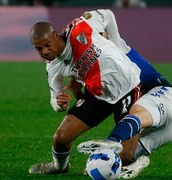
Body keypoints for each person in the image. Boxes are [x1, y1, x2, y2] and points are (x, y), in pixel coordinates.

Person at [64, 9, 172, 178]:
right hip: (151, 108)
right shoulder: (98, 66)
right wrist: (78, 92)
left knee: (137, 114)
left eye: (100, 35)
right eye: (96, 36)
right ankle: (129, 164)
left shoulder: (117, 46)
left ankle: (110, 143)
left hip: (161, 93)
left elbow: (108, 16)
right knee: (125, 156)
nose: (98, 39)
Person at [28, 19, 142, 174]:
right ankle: (59, 167)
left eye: (47, 45)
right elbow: (54, 99)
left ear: (55, 35)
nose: (45, 52)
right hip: (97, 95)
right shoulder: (53, 67)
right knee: (60, 139)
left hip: (128, 88)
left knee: (126, 156)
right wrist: (59, 103)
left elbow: (107, 15)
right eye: (39, 49)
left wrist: (118, 45)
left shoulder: (79, 28)